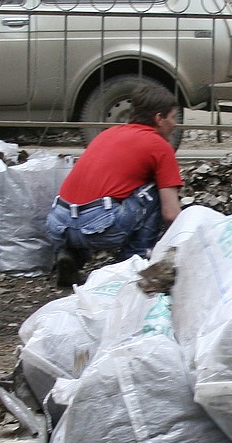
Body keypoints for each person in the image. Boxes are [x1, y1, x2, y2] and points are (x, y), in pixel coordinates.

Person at [45, 79, 182, 288]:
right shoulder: (160, 146)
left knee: (106, 192)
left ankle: (70, 255)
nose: (175, 124)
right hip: (97, 225)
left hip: (58, 223)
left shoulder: (108, 133)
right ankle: (130, 266)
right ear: (159, 118)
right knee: (154, 190)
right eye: (173, 117)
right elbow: (171, 214)